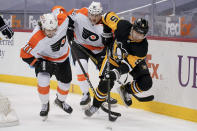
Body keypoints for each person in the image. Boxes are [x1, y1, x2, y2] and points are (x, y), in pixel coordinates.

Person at [84, 11, 153, 117]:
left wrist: (116, 72)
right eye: (136, 33)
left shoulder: (142, 48)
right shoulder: (122, 26)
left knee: (146, 82)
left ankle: (126, 90)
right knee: (105, 83)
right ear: (132, 28)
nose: (137, 36)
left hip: (129, 62)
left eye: (141, 35)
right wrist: (107, 33)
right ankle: (95, 105)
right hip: (113, 59)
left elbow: (128, 65)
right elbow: (107, 16)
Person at [20, 10, 73, 120]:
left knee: (66, 85)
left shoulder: (62, 20)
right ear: (42, 27)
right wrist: (38, 64)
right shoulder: (35, 37)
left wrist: (72, 28)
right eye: (48, 30)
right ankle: (45, 104)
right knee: (43, 82)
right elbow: (23, 54)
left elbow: (60, 9)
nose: (51, 33)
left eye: (54, 29)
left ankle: (60, 101)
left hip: (63, 59)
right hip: (45, 60)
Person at [66, 1, 117, 108]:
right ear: (88, 12)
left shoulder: (106, 23)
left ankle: (103, 95)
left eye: (96, 15)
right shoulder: (81, 13)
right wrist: (70, 27)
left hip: (99, 50)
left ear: (101, 14)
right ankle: (85, 94)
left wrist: (111, 42)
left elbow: (115, 37)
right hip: (80, 45)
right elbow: (68, 16)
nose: (93, 18)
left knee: (106, 72)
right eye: (91, 14)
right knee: (82, 67)